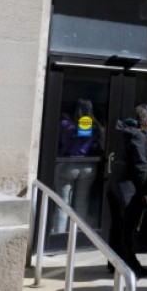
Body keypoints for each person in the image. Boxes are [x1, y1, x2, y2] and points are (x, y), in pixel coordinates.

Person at [107, 105, 147, 279]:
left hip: (114, 184)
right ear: (144, 121)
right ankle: (131, 266)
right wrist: (146, 191)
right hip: (128, 188)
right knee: (128, 228)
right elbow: (141, 166)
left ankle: (113, 262)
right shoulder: (137, 136)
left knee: (117, 225)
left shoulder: (120, 132)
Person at [53, 98, 103, 233]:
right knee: (82, 203)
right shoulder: (93, 127)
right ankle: (78, 235)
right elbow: (99, 141)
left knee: (63, 203)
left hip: (68, 164)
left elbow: (56, 143)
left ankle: (59, 237)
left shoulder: (64, 124)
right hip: (88, 165)